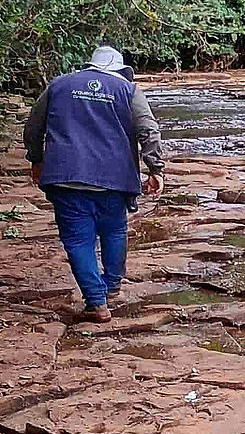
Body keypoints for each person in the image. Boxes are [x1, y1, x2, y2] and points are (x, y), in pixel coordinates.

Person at [23, 45, 165, 322]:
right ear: (118, 69)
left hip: (66, 175)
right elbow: (149, 130)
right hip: (115, 177)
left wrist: (36, 159)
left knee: (78, 240)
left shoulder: (58, 85)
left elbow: (33, 127)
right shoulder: (128, 90)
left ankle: (96, 303)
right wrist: (155, 168)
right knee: (114, 231)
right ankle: (111, 288)